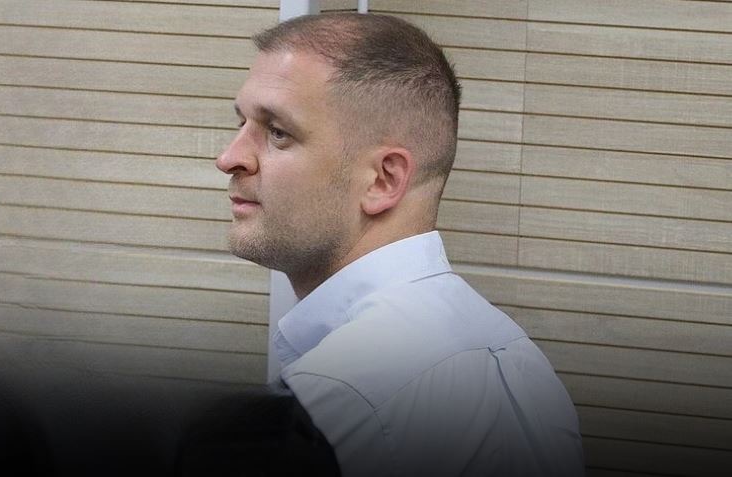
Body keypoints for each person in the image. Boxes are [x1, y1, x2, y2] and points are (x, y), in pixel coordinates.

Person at [216, 12, 584, 477]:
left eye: (277, 132)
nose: (229, 157)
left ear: (383, 180)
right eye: (242, 122)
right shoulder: (518, 361)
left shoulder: (332, 400)